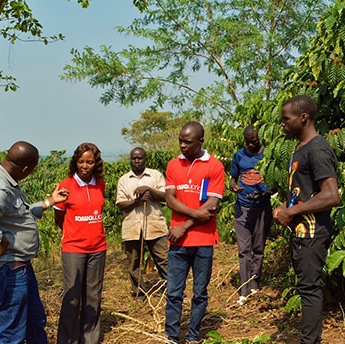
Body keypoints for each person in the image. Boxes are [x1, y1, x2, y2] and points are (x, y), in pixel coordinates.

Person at [0, 141, 69, 344]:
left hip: (18, 268)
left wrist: (48, 202)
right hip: (7, 270)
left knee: (35, 322)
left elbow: (17, 215)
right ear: (26, 169)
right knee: (12, 333)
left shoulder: (6, 180)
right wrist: (0, 240)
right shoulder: (0, 187)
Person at [274, 95, 340, 344]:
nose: (283, 124)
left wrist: (292, 213)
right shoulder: (300, 149)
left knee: (310, 290)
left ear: (303, 118)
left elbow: (331, 196)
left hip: (313, 233)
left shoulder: (318, 148)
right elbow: (303, 194)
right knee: (306, 288)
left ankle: (310, 341)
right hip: (301, 233)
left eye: (286, 119)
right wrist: (286, 207)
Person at [164, 121, 225, 344]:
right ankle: (172, 336)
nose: (182, 145)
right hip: (177, 242)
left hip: (203, 241)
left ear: (201, 141)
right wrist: (194, 215)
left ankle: (192, 336)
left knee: (199, 293)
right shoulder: (173, 165)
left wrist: (185, 225)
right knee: (174, 293)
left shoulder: (215, 166)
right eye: (180, 140)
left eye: (187, 142)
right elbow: (170, 199)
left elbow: (211, 206)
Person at [54, 143, 107, 344]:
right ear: (75, 162)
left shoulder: (100, 184)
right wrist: (73, 233)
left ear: (96, 164)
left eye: (89, 162)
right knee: (72, 297)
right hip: (73, 249)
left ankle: (90, 339)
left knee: (93, 296)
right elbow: (58, 217)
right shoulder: (65, 185)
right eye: (81, 161)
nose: (85, 166)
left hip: (98, 248)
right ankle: (68, 340)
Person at [116, 147, 168, 301]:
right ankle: (139, 293)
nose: (137, 161)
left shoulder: (156, 175)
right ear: (130, 160)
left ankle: (174, 290)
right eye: (134, 158)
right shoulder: (124, 180)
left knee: (163, 260)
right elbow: (120, 204)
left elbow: (166, 196)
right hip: (132, 228)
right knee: (134, 263)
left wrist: (150, 191)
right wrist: (136, 201)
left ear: (145, 159)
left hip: (155, 226)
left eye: (140, 158)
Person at [229, 125, 274, 306]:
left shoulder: (268, 155)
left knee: (258, 247)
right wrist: (233, 187)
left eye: (253, 141)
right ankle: (244, 288)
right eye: (247, 141)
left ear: (259, 138)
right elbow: (233, 178)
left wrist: (265, 193)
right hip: (242, 208)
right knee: (243, 249)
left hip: (262, 208)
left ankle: (255, 282)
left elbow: (275, 183)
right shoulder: (239, 156)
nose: (250, 144)